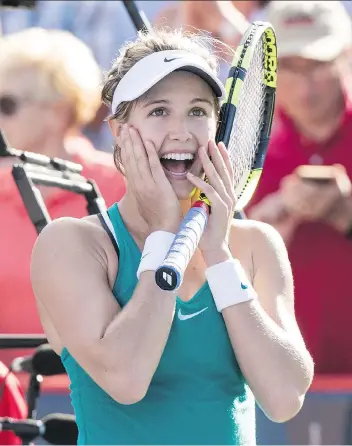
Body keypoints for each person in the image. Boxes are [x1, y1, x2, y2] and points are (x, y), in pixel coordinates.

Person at [30, 28, 313, 445]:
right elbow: (126, 379)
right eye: (159, 111)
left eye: (198, 112)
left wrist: (217, 255)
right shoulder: (71, 245)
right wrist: (165, 236)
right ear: (119, 130)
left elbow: (285, 397)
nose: (181, 131)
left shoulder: (254, 245)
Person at [0, 28, 125, 368]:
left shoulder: (119, 186)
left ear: (57, 111)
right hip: (9, 397)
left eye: (6, 104)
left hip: (103, 392)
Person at [248, 1, 352, 373]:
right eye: (290, 67)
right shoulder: (250, 149)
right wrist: (265, 225)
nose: (305, 84)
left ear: (345, 56)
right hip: (291, 376)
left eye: (318, 65)